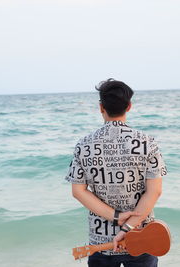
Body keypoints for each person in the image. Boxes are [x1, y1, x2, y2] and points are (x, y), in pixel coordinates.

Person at [65, 79, 167, 267]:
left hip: (100, 241)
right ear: (129, 106)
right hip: (141, 236)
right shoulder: (147, 143)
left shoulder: (84, 145)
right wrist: (128, 227)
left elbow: (78, 191)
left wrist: (116, 216)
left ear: (101, 107)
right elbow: (155, 191)